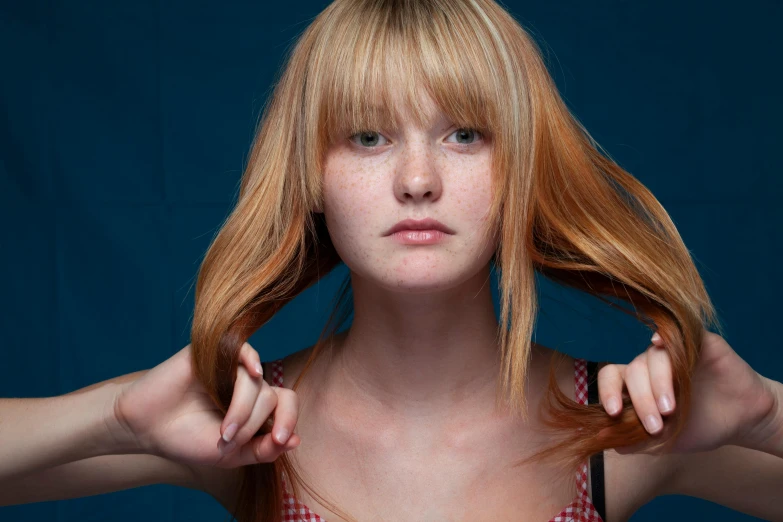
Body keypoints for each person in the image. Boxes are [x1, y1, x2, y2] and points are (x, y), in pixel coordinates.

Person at [1, 1, 781, 521]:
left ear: (522, 170)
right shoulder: (241, 433)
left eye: (465, 134)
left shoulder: (616, 436)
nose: (417, 180)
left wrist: (765, 416)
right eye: (367, 137)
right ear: (312, 174)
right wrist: (116, 419)